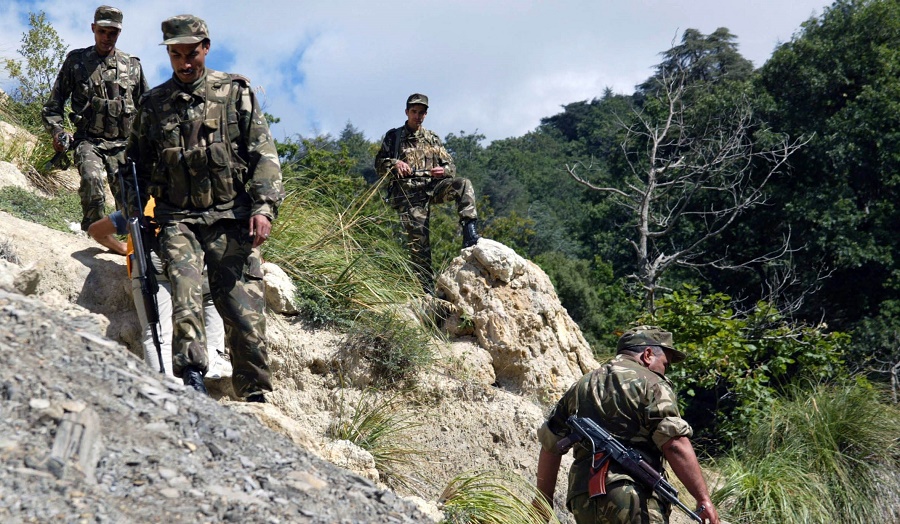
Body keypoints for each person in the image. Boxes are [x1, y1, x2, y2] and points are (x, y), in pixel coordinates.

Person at [126, 14, 283, 402]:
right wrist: (135, 221)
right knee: (185, 296)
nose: (184, 63)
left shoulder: (235, 93)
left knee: (243, 313)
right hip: (177, 220)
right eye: (176, 55)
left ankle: (255, 395)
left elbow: (264, 156)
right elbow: (134, 169)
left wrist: (263, 207)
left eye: (191, 54)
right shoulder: (153, 105)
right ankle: (193, 380)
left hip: (231, 218)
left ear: (205, 48)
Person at [535, 326, 720, 524]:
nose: (665, 370)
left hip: (583, 499)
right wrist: (703, 499)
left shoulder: (582, 384)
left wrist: (543, 502)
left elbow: (550, 445)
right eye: (665, 363)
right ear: (648, 354)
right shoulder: (651, 383)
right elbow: (674, 444)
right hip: (632, 498)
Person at [87, 207, 232, 381]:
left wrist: (122, 247)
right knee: (210, 295)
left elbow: (95, 231)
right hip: (195, 262)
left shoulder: (143, 202)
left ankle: (166, 384)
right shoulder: (199, 198)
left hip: (152, 258)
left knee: (156, 329)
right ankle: (213, 355)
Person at [42, 5, 148, 232]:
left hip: (124, 146)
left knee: (134, 203)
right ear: (93, 28)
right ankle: (95, 235)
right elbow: (54, 105)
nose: (107, 38)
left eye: (113, 33)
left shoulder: (132, 66)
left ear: (119, 33)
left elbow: (148, 110)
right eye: (102, 31)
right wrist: (58, 132)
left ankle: (135, 246)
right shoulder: (76, 62)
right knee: (92, 181)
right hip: (89, 141)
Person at [374, 93, 481, 294]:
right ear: (407, 112)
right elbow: (379, 165)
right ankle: (426, 290)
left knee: (463, 185)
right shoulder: (394, 137)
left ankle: (470, 232)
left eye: (421, 112)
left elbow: (450, 166)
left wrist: (445, 171)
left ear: (426, 114)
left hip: (432, 188)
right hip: (408, 194)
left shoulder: (433, 138)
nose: (417, 116)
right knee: (420, 246)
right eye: (414, 112)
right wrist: (395, 163)